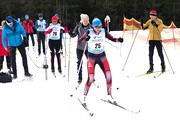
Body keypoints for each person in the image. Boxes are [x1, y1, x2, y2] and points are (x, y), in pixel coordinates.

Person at [78, 18, 123, 103]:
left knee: (109, 75)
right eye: (96, 27)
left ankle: (109, 95)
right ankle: (84, 95)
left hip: (102, 56)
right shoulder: (89, 32)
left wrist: (118, 40)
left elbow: (112, 38)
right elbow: (79, 40)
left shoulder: (103, 31)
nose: (98, 29)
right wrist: (86, 39)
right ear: (93, 26)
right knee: (91, 78)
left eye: (99, 27)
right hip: (91, 57)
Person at [69, 14, 93, 83]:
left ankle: (91, 76)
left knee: (90, 62)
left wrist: (90, 37)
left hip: (88, 48)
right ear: (82, 20)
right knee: (79, 62)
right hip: (79, 47)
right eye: (84, 21)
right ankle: (80, 77)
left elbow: (95, 35)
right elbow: (74, 34)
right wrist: (71, 33)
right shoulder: (78, 27)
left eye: (87, 21)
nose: (85, 22)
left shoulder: (91, 27)